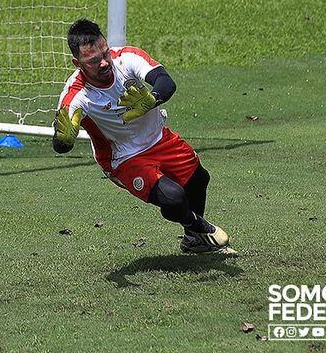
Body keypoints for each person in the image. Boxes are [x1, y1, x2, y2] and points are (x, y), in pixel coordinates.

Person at [53, 18, 232, 254]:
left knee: (199, 180)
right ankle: (200, 228)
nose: (104, 63)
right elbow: (60, 145)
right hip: (123, 157)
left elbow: (165, 82)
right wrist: (64, 140)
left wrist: (152, 98)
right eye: (94, 61)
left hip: (158, 138)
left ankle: (193, 241)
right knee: (174, 198)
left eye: (105, 54)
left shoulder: (126, 58)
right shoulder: (76, 95)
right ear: (78, 63)